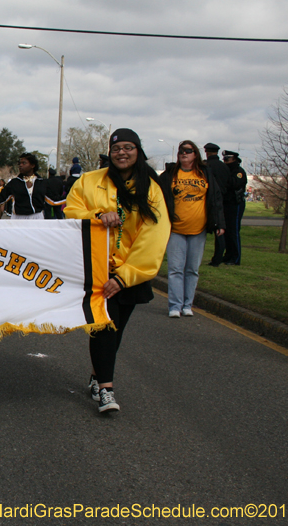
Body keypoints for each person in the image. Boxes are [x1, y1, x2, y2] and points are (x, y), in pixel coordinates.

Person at [64, 129, 172, 413]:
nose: (122, 153)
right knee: (104, 326)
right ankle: (106, 389)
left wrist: (125, 277)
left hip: (128, 273)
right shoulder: (90, 180)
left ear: (138, 151)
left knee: (117, 328)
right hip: (95, 269)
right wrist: (97, 217)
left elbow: (154, 235)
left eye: (128, 147)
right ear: (109, 153)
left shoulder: (151, 189)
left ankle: (97, 376)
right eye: (116, 149)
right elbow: (72, 212)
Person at [159, 141, 225, 318]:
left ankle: (188, 305)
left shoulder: (205, 173)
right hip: (176, 230)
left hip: (199, 229)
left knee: (192, 269)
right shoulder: (170, 174)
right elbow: (158, 196)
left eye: (188, 151)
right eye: (181, 151)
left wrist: (220, 223)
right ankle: (175, 306)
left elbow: (216, 199)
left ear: (195, 154)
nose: (184, 154)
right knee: (175, 269)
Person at [0, 153, 47, 219]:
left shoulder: (41, 182)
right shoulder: (15, 183)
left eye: (24, 163)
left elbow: (52, 199)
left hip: (37, 218)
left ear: (32, 165)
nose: (20, 165)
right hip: (19, 218)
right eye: (19, 163)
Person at [203, 143, 232, 267]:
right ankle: (218, 257)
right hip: (223, 201)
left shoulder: (206, 166)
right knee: (220, 230)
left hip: (209, 201)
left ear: (207, 152)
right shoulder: (224, 167)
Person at [222, 150, 248, 265]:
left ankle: (236, 258)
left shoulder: (238, 172)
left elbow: (233, 184)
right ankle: (228, 255)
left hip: (236, 203)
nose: (225, 161)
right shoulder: (228, 170)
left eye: (227, 159)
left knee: (234, 231)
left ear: (234, 159)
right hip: (227, 203)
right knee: (227, 231)